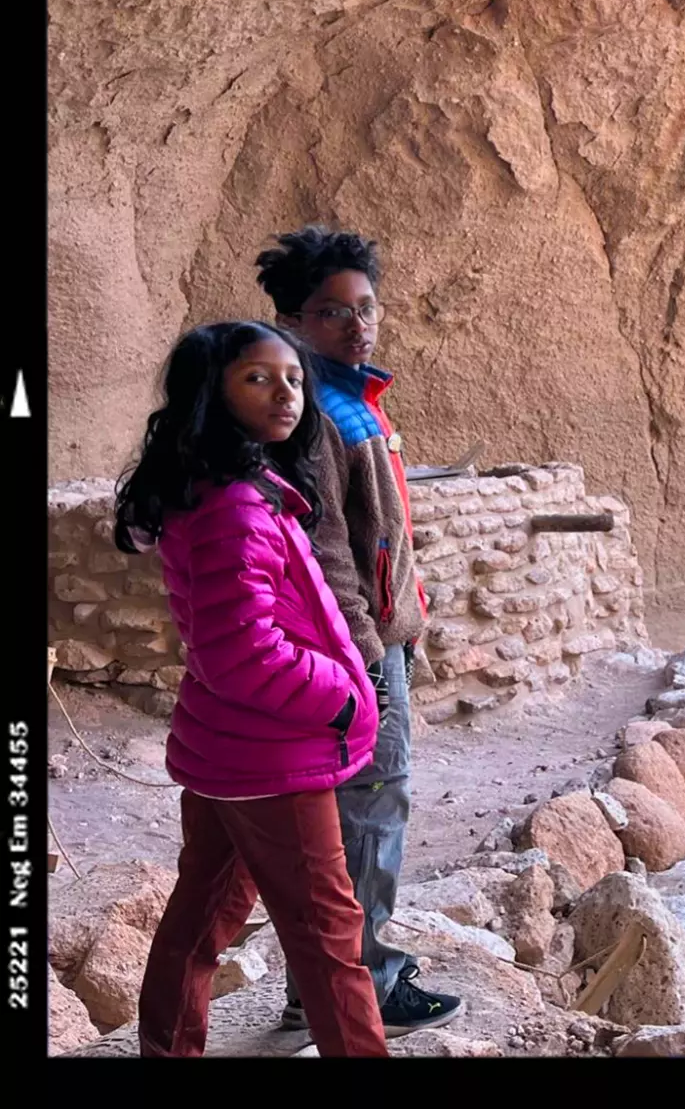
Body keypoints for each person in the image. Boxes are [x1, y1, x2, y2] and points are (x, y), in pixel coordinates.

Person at [118, 322, 389, 1058]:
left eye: (294, 379)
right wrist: (343, 698)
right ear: (214, 393)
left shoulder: (229, 488)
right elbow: (241, 654)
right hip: (273, 755)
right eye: (258, 379)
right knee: (330, 940)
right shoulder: (236, 505)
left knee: (202, 914)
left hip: (230, 748)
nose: (285, 394)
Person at [255, 225, 463, 1035]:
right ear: (295, 320)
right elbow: (329, 553)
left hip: (376, 640)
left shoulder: (346, 395)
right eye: (334, 311)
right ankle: (363, 987)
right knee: (371, 811)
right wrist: (370, 658)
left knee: (354, 816)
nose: (358, 324)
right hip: (356, 653)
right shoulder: (314, 408)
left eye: (366, 307)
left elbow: (381, 532)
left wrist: (409, 615)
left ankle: (322, 987)